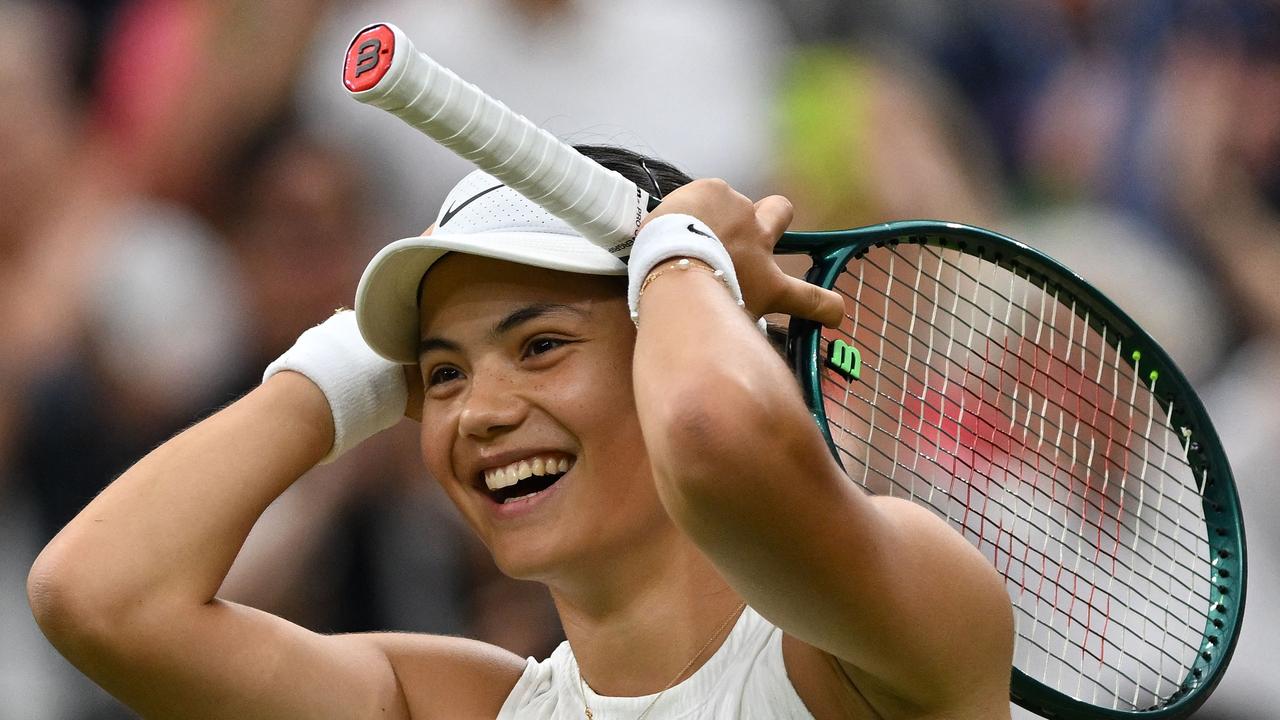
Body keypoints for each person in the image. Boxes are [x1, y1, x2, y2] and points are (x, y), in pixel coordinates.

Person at [27, 145, 1014, 719]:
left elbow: (712, 432)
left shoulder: (872, 631)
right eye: (443, 374)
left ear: (672, 344)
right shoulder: (475, 708)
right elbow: (98, 598)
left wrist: (680, 261)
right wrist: (346, 366)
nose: (478, 412)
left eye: (540, 346)